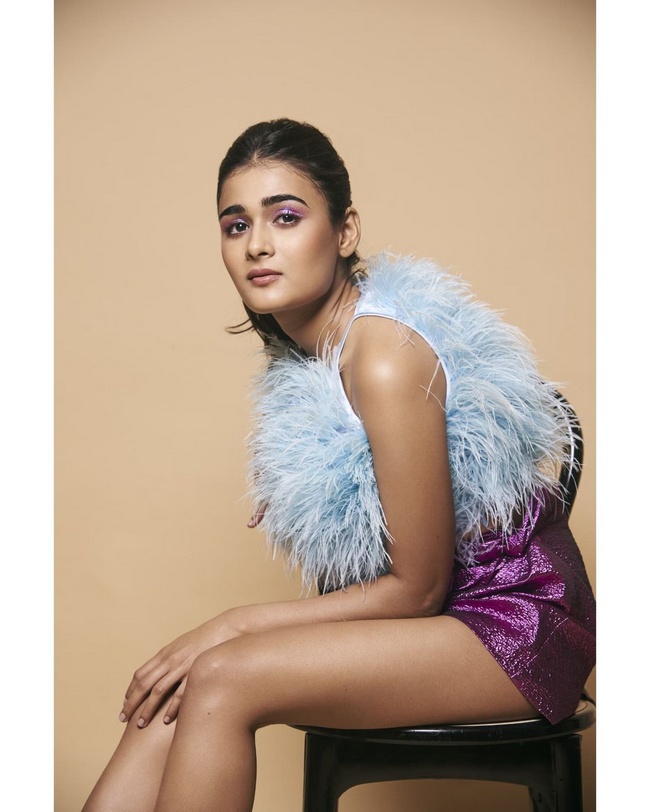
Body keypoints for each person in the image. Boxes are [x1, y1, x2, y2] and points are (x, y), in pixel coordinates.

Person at [82, 118, 595, 812]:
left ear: (345, 231)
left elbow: (418, 589)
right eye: (236, 226)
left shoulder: (383, 357)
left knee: (223, 673)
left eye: (286, 217)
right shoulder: (311, 363)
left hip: (515, 628)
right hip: (437, 624)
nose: (257, 244)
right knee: (174, 687)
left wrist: (231, 623)